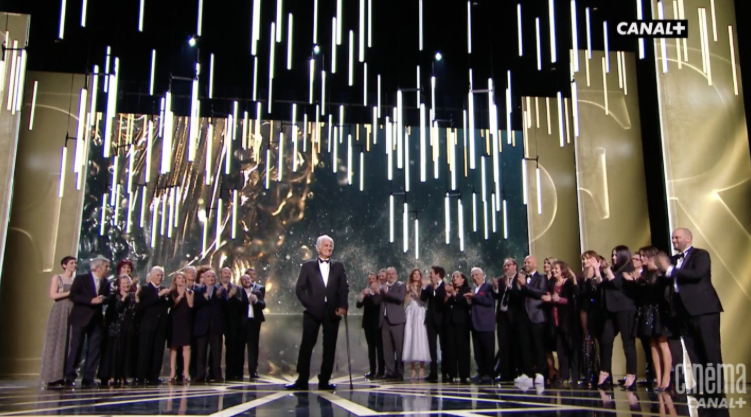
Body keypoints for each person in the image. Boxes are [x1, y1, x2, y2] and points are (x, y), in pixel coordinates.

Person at [655, 228, 724, 394]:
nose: (674, 241)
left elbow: (697, 274)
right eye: (672, 238)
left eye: (677, 238)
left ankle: (715, 386)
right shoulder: (672, 260)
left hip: (703, 309)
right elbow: (663, 279)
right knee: (693, 350)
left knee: (709, 348)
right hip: (683, 312)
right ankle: (701, 384)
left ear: (688, 239)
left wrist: (670, 270)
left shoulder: (700, 255)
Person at [286, 235, 349, 391]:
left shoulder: (339, 266)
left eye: (331, 245)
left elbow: (344, 288)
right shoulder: (307, 266)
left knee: (329, 347)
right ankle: (302, 379)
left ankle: (325, 380)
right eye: (326, 245)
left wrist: (343, 306)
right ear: (318, 248)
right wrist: (310, 304)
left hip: (332, 311)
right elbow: (300, 289)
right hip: (313, 312)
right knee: (306, 345)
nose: (329, 248)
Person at [629, 246, 672, 391]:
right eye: (640, 255)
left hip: (658, 310)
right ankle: (658, 378)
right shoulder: (644, 274)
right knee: (652, 344)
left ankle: (667, 378)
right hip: (646, 311)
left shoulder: (659, 274)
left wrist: (639, 279)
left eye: (643, 255)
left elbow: (657, 292)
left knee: (662, 343)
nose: (641, 258)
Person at [595, 246, 638, 389]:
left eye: (616, 255)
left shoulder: (628, 269)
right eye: (612, 255)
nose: (613, 258)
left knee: (627, 342)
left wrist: (607, 270)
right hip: (610, 310)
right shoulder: (613, 270)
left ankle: (631, 373)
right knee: (606, 340)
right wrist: (597, 270)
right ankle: (605, 372)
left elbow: (617, 284)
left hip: (625, 309)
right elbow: (601, 284)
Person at [64, 256, 111, 388]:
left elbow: (109, 297)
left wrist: (104, 299)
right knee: (76, 348)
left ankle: (88, 378)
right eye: (106, 266)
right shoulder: (81, 279)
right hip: (80, 318)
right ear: (98, 267)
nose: (108, 269)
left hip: (96, 320)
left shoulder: (106, 282)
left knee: (94, 350)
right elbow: (74, 296)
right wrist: (90, 300)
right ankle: (70, 377)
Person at [510, 256, 548, 387]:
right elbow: (515, 295)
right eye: (525, 262)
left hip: (536, 315)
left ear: (535, 264)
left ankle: (540, 373)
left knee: (538, 345)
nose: (526, 264)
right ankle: (527, 372)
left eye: (528, 262)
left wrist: (524, 285)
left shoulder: (541, 278)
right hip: (522, 317)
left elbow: (540, 293)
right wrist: (517, 285)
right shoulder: (520, 278)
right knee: (525, 346)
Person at [39, 256, 77, 387]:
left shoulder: (75, 280)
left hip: (72, 310)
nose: (74, 265)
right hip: (60, 310)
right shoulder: (58, 278)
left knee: (69, 342)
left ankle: (65, 375)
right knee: (56, 341)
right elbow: (53, 295)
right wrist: (69, 293)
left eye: (75, 263)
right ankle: (53, 376)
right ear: (64, 265)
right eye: (71, 263)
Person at [541, 261, 580, 387]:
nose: (554, 271)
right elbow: (550, 298)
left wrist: (559, 299)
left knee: (572, 348)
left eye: (556, 268)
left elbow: (573, 301)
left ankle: (575, 376)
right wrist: (549, 299)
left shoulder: (568, 284)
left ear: (562, 270)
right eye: (553, 269)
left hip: (569, 322)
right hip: (555, 322)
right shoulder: (551, 284)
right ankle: (563, 375)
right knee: (560, 350)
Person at [99, 275, 139, 386]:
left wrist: (135, 299)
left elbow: (134, 310)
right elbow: (116, 308)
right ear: (119, 285)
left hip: (128, 327)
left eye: (128, 282)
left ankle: (123, 376)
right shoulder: (114, 296)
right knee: (115, 352)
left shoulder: (133, 296)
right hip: (116, 327)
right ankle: (112, 376)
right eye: (124, 283)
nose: (126, 285)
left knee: (126, 352)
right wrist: (123, 298)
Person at [136, 266, 172, 385]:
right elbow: (144, 304)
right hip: (147, 325)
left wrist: (167, 296)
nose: (160, 277)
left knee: (158, 352)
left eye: (161, 275)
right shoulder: (145, 289)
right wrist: (159, 295)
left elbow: (169, 304)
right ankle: (141, 376)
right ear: (151, 276)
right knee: (145, 352)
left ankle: (154, 377)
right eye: (157, 275)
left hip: (161, 326)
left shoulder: (164, 289)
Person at [193, 269, 227, 383]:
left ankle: (217, 375)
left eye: (213, 277)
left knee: (216, 352)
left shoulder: (220, 290)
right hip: (202, 326)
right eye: (208, 277)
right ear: (204, 278)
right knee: (201, 353)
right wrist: (205, 296)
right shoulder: (198, 290)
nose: (211, 279)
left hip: (216, 326)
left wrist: (219, 296)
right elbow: (195, 304)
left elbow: (226, 306)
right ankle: (200, 375)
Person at [376, 266, 407, 381]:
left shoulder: (400, 285)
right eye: (388, 274)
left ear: (396, 275)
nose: (390, 276)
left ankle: (400, 372)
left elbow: (399, 298)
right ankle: (390, 371)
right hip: (384, 321)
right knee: (387, 348)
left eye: (392, 274)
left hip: (397, 321)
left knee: (399, 348)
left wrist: (387, 293)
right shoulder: (382, 287)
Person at [466, 267, 495, 384]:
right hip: (475, 324)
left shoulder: (488, 287)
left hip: (486, 324)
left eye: (477, 275)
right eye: (472, 275)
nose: (475, 277)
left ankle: (489, 373)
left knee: (488, 349)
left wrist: (475, 297)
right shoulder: (472, 288)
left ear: (483, 275)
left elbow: (489, 302)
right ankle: (481, 372)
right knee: (478, 351)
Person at [492, 258, 520, 382]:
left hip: (515, 317)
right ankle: (504, 374)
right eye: (504, 266)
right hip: (502, 316)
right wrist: (496, 288)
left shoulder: (520, 278)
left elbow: (519, 295)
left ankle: (515, 372)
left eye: (508, 265)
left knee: (515, 345)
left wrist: (510, 287)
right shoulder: (500, 280)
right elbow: (496, 296)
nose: (506, 268)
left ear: (515, 266)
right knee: (503, 345)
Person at [421, 266, 448, 382]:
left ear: (438, 274)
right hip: (431, 320)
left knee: (444, 347)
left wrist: (436, 288)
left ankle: (445, 372)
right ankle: (433, 373)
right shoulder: (428, 287)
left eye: (431, 273)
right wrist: (423, 287)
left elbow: (441, 298)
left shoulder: (445, 286)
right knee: (432, 347)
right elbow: (423, 298)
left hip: (442, 320)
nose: (429, 275)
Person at [402, 269, 431, 380]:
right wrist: (409, 292)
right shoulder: (407, 286)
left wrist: (416, 292)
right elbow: (406, 301)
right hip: (410, 312)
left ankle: (422, 368)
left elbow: (423, 301)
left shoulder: (424, 286)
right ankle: (413, 369)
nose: (416, 276)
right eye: (414, 274)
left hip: (420, 312)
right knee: (411, 338)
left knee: (421, 338)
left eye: (418, 274)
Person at [356, 272, 384, 379]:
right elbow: (358, 305)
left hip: (377, 324)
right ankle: (372, 370)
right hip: (367, 324)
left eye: (373, 279)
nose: (371, 280)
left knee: (379, 347)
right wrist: (362, 297)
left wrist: (374, 292)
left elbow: (377, 303)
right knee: (371, 348)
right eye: (369, 279)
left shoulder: (379, 292)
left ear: (377, 280)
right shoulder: (366, 292)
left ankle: (381, 371)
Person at [445, 271, 472, 384]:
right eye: (453, 276)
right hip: (450, 323)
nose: (454, 278)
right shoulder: (449, 290)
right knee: (451, 348)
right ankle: (452, 374)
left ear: (463, 279)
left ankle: (464, 374)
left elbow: (464, 302)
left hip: (462, 322)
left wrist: (453, 294)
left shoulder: (466, 289)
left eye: (457, 276)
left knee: (463, 349)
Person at [168, 271, 194, 383]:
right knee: (174, 347)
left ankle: (186, 372)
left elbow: (191, 305)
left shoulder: (190, 291)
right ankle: (172, 372)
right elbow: (173, 304)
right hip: (174, 321)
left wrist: (187, 293)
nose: (182, 280)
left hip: (185, 321)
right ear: (175, 280)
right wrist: (181, 294)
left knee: (186, 347)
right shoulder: (172, 292)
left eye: (183, 278)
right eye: (179, 278)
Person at [240, 270, 265, 380]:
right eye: (244, 279)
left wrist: (256, 301)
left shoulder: (257, 292)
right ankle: (238, 371)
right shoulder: (239, 292)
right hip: (242, 323)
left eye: (248, 279)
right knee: (240, 347)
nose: (247, 281)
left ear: (252, 280)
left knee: (253, 347)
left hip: (254, 322)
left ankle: (253, 370)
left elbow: (263, 304)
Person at [220, 267, 244, 381]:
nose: (227, 275)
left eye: (229, 273)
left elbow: (242, 305)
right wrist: (228, 295)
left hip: (232, 323)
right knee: (215, 348)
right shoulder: (216, 288)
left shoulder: (237, 288)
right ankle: (213, 372)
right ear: (221, 274)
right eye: (225, 273)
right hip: (218, 322)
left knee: (232, 349)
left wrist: (233, 296)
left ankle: (231, 373)